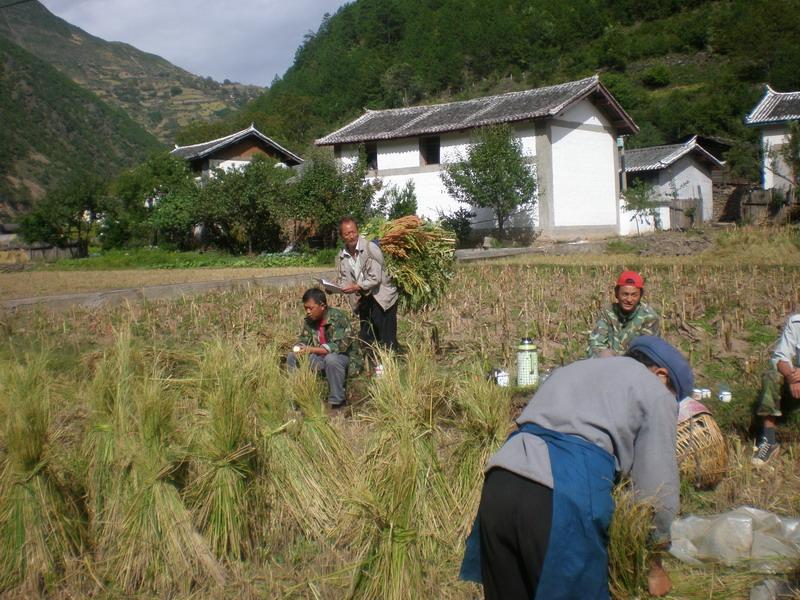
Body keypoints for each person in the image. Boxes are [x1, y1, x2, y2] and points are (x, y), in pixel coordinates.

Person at [461, 336, 693, 600]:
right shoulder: (655, 391)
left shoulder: (575, 368)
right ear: (661, 375)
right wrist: (655, 566)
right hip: (560, 497)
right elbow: (656, 491)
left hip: (500, 482)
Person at [335, 217, 399, 362]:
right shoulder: (342, 256)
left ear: (357, 232)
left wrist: (356, 286)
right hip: (364, 299)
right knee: (368, 336)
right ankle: (374, 366)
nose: (351, 236)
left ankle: (392, 369)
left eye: (353, 232)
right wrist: (335, 288)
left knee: (387, 336)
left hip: (382, 298)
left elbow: (375, 278)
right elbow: (344, 279)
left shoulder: (370, 248)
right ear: (341, 236)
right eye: (347, 234)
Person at [286, 288, 358, 409]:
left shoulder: (338, 318)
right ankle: (296, 398)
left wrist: (311, 350)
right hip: (320, 360)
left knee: (331, 359)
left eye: (310, 308)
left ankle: (337, 402)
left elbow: (338, 347)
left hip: (344, 359)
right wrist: (299, 347)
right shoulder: (309, 321)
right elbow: (303, 340)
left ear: (322, 306)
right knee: (292, 356)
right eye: (305, 308)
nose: (308, 311)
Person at [752, 313, 800, 466]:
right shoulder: (796, 322)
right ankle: (769, 440)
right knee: (771, 375)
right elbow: (779, 357)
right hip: (797, 377)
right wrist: (790, 376)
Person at [588, 270, 660, 357]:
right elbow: (596, 345)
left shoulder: (650, 318)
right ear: (616, 293)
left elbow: (645, 353)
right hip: (608, 363)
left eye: (634, 295)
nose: (629, 300)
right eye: (625, 294)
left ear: (640, 296)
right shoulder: (607, 312)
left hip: (634, 365)